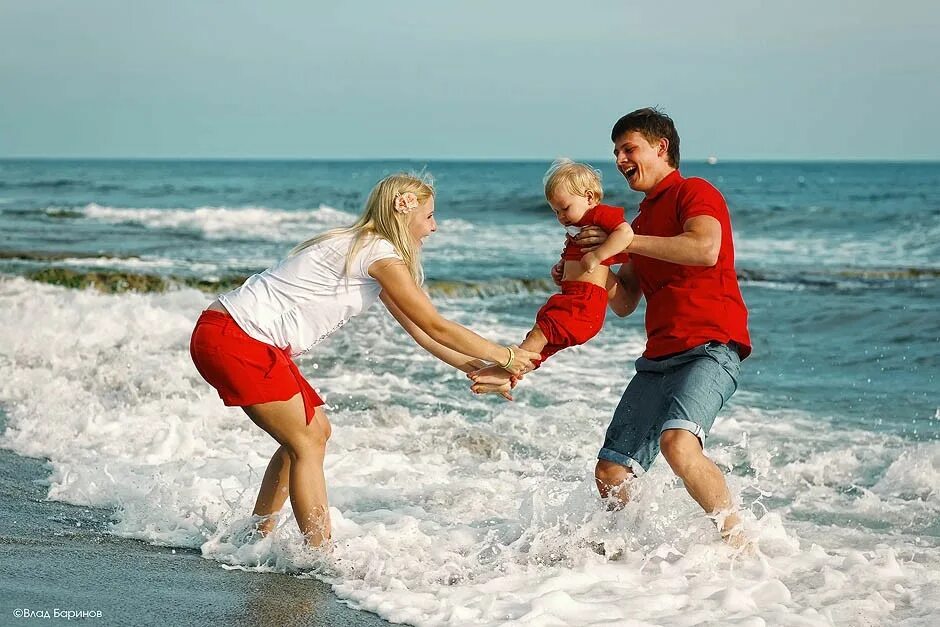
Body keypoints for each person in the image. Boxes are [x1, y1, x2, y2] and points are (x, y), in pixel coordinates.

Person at [189, 173, 540, 546]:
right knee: (306, 441)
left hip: (234, 333)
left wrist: (477, 367)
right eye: (430, 216)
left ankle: (255, 534)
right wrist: (507, 355)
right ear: (404, 214)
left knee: (313, 433)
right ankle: (317, 554)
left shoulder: (366, 249)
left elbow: (420, 331)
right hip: (238, 337)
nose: (434, 227)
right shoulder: (380, 256)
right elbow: (436, 325)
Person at [576, 107, 752, 545]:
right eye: (616, 151)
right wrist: (589, 266)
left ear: (661, 147)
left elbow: (705, 248)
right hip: (658, 358)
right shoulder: (637, 222)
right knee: (611, 470)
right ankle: (635, 557)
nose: (619, 159)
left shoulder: (694, 191)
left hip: (711, 346)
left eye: (628, 148)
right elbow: (626, 300)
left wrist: (627, 242)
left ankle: (739, 547)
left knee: (678, 442)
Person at [467, 159, 633, 393]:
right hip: (574, 300)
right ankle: (507, 378)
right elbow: (573, 257)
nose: (561, 216)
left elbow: (625, 233)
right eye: (556, 211)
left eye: (565, 208)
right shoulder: (577, 229)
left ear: (589, 197)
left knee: (539, 333)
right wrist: (561, 268)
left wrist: (598, 256)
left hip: (584, 303)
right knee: (540, 348)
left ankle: (507, 366)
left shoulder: (599, 215)